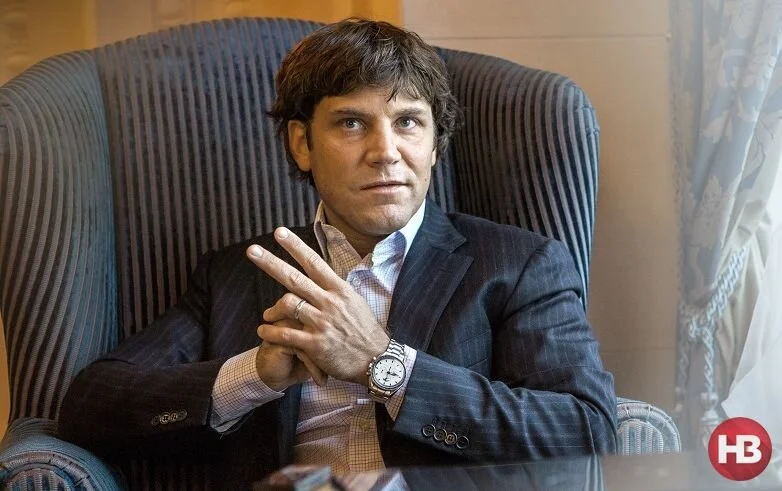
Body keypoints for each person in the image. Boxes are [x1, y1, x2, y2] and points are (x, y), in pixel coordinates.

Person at [57, 18, 617, 487]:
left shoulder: (517, 265)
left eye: (408, 122)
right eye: (352, 123)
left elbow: (588, 433)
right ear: (302, 144)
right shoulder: (237, 273)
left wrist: (384, 363)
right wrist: (253, 375)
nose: (385, 152)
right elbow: (90, 407)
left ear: (434, 144)